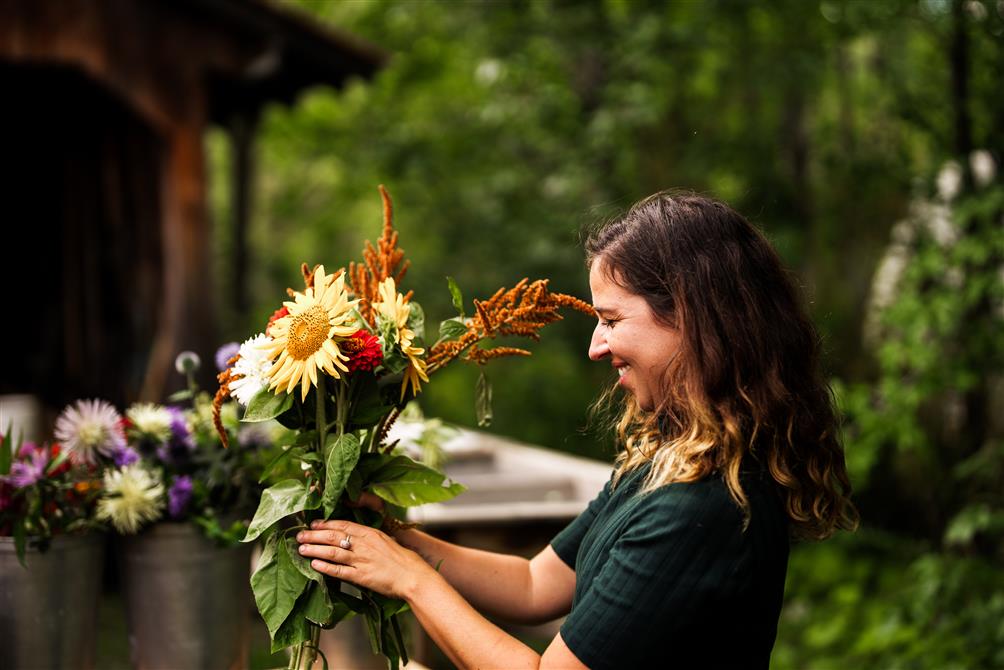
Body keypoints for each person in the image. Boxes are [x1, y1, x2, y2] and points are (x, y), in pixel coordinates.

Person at [296, 191, 858, 669]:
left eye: (611, 321)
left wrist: (411, 579)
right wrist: (393, 537)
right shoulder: (666, 459)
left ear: (691, 316)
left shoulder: (705, 506)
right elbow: (533, 584)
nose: (596, 346)